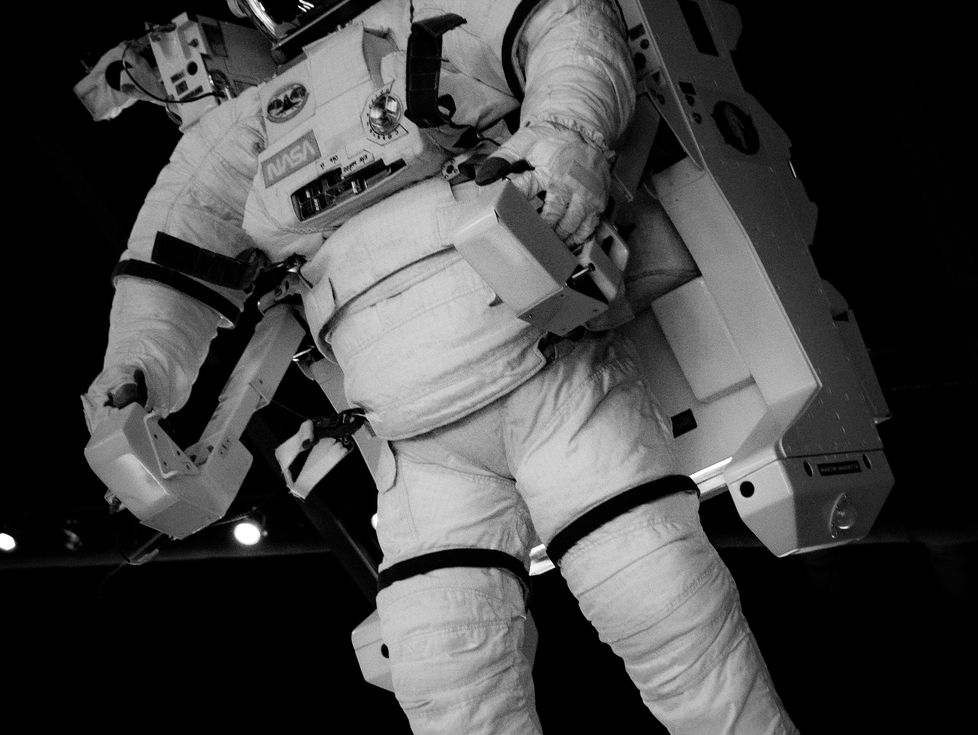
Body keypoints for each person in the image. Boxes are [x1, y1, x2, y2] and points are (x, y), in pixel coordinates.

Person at [81, 1, 798, 732]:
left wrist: (565, 138)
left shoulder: (430, 5)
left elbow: (568, 30)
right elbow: (168, 264)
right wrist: (134, 375)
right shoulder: (244, 127)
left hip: (544, 369)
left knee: (660, 603)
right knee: (446, 674)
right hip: (413, 441)